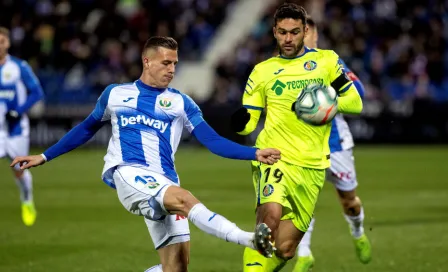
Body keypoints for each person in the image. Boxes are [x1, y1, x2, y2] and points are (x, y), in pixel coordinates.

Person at [11, 36, 279, 272]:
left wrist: (253, 153)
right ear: (147, 61)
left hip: (165, 181)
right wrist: (44, 156)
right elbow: (86, 127)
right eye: (166, 63)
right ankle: (249, 239)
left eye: (174, 63)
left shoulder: (181, 103)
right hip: (129, 173)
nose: (172, 69)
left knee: (176, 268)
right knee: (185, 199)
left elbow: (212, 140)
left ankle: (160, 207)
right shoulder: (115, 94)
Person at [230, 3, 363, 271]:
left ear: (305, 31)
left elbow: (355, 102)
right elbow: (249, 121)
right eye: (282, 32)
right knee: (268, 220)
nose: (288, 38)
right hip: (273, 157)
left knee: (286, 249)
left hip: (312, 164)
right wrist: (240, 123)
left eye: (294, 32)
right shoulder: (262, 71)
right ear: (274, 32)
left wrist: (324, 105)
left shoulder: (326, 61)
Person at [293, 17, 372, 272]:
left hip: (335, 143)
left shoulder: (329, 61)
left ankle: (358, 230)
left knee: (349, 201)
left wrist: (326, 100)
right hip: (302, 145)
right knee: (301, 200)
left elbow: (357, 91)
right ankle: (304, 255)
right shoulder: (282, 67)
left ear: (314, 37)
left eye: (306, 34)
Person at [0, 27, 44, 227]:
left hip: (16, 129)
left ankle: (27, 200)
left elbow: (37, 92)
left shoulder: (19, 67)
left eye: (1, 41)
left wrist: (18, 110)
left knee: (19, 170)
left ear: (7, 43)